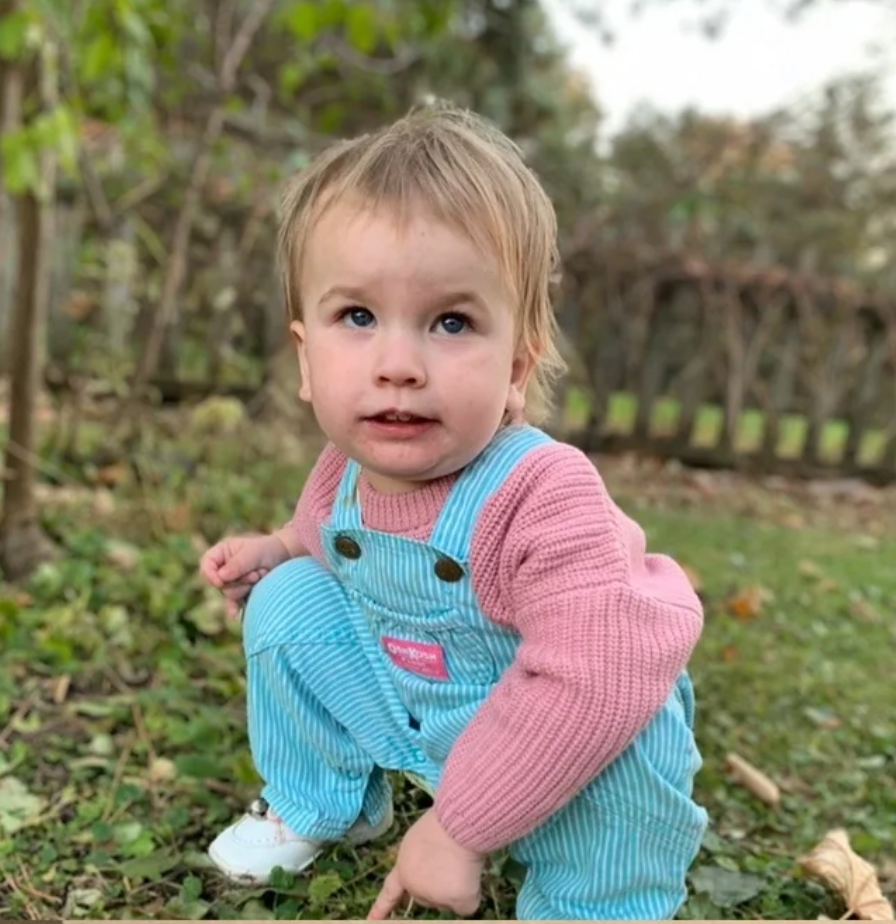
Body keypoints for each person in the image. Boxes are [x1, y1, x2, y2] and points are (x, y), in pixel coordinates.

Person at [200, 101, 709, 920]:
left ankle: (596, 901)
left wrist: (462, 830)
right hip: (424, 716)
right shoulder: (343, 471)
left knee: (626, 747)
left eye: (451, 321)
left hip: (567, 736)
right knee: (288, 598)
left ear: (517, 364)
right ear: (305, 355)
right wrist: (277, 549)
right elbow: (320, 541)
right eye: (357, 317)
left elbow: (595, 678)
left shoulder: (542, 494)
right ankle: (319, 800)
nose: (398, 363)